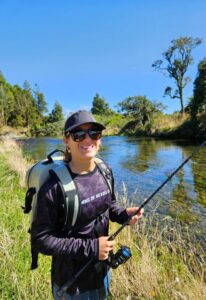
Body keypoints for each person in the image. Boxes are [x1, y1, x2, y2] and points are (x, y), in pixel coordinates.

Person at [31, 110, 144, 300]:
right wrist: (92, 248)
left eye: (94, 133)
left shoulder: (105, 170)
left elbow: (109, 207)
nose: (87, 139)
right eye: (78, 134)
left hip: (102, 271)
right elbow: (41, 240)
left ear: (100, 139)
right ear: (66, 140)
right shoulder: (53, 187)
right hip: (72, 284)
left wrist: (124, 214)